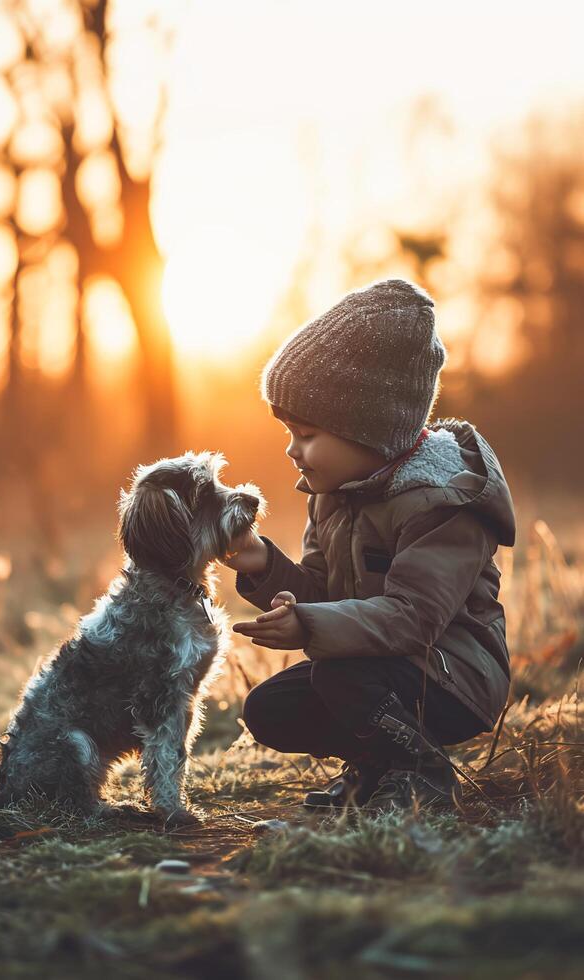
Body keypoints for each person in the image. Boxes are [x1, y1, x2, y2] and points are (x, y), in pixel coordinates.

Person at [222, 278, 516, 812]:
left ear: (370, 428)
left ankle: (422, 773)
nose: (293, 450)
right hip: (379, 666)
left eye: (307, 434)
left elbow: (412, 617)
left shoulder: (443, 504)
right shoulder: (334, 496)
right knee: (270, 708)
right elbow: (323, 589)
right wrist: (266, 568)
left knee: (339, 673)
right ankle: (379, 766)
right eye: (289, 432)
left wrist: (310, 626)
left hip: (454, 677)